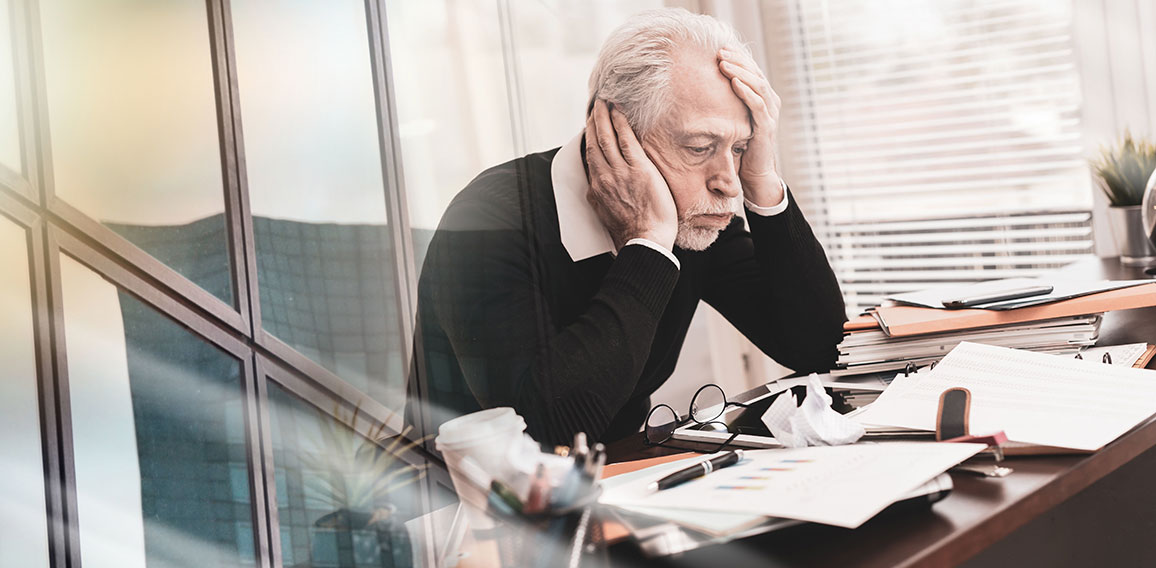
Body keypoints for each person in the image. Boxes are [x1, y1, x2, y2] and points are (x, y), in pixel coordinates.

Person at [408, 8, 846, 447]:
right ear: (614, 131)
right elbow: (547, 432)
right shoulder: (487, 220)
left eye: (739, 147)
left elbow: (820, 349)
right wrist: (649, 244)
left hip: (619, 480)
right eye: (699, 146)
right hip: (458, 502)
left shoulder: (698, 211)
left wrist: (763, 180)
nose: (727, 182)